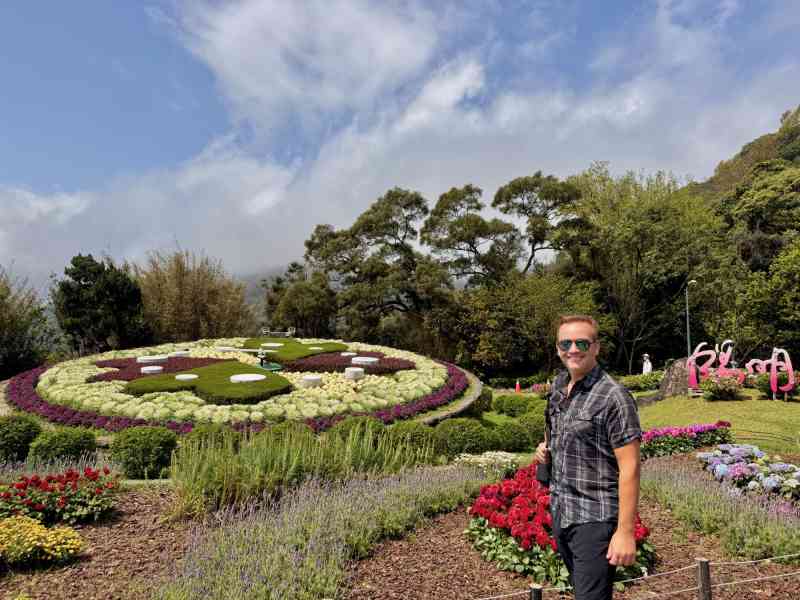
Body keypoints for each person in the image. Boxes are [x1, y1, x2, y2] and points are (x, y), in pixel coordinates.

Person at [534, 315, 642, 600]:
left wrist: (625, 532)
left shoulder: (613, 397)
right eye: (565, 343)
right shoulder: (559, 387)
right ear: (557, 348)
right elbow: (556, 431)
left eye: (582, 342)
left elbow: (630, 467)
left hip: (594, 519)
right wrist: (544, 449)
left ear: (596, 347)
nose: (573, 349)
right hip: (562, 511)